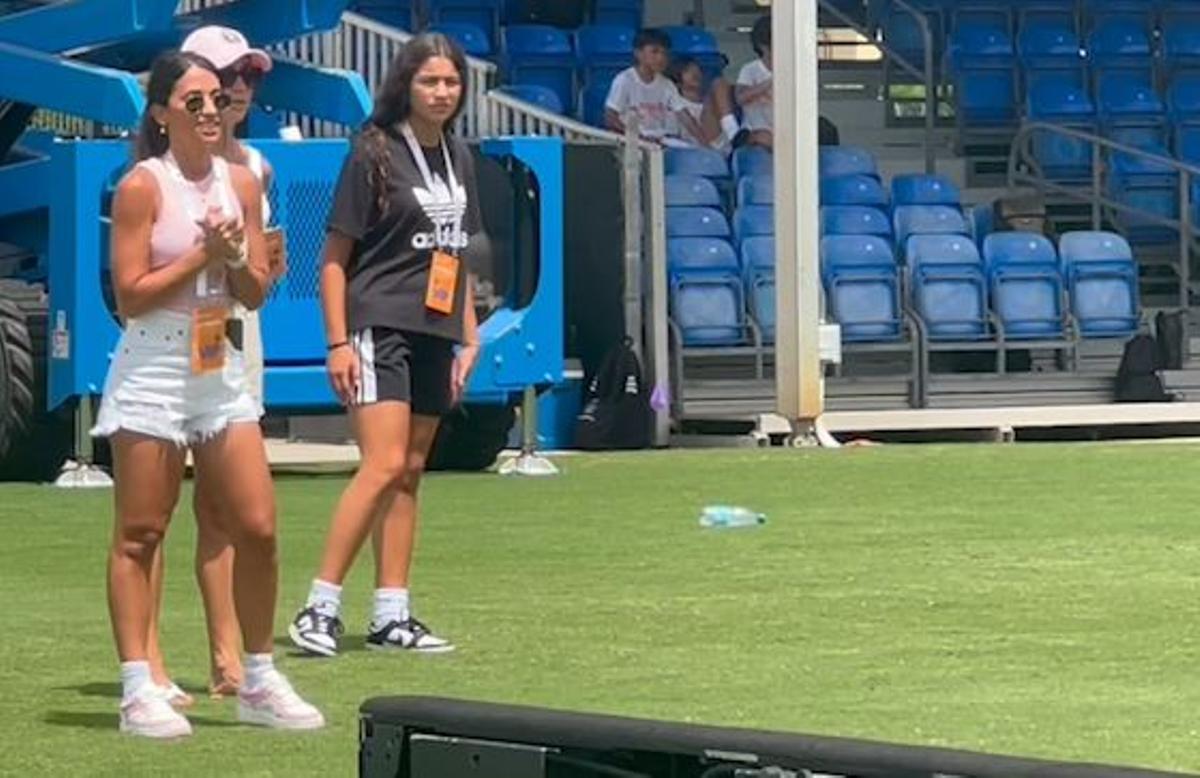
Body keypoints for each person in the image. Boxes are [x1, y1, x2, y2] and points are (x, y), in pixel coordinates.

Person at [94, 50, 323, 738]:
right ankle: (139, 685)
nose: (209, 113)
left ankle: (255, 675)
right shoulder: (143, 185)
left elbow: (253, 288)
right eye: (192, 102)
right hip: (154, 362)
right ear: (162, 114)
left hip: (217, 356)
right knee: (142, 530)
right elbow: (130, 296)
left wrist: (237, 261)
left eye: (217, 101)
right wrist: (201, 254)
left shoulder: (243, 182)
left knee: (257, 525)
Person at [287, 32, 484, 658]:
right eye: (430, 81)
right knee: (381, 465)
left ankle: (391, 613)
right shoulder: (373, 151)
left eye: (451, 82)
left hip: (437, 330)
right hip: (379, 324)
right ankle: (318, 607)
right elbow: (334, 258)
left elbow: (459, 254)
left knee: (410, 472)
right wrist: (338, 342)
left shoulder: (459, 155)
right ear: (406, 84)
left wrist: (469, 334)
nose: (442, 92)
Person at [139, 24, 284, 704]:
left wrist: (256, 266)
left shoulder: (254, 169)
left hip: (231, 335)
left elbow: (255, 275)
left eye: (246, 80)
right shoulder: (154, 176)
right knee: (154, 506)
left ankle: (230, 653)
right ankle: (150, 660)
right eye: (223, 81)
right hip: (172, 342)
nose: (234, 94)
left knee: (230, 507)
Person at [604, 28, 695, 143]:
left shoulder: (667, 84)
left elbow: (685, 117)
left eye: (664, 53)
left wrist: (705, 144)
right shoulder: (624, 80)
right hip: (631, 142)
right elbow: (610, 118)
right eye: (655, 52)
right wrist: (638, 137)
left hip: (660, 141)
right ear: (638, 53)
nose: (661, 58)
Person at [667, 56, 741, 153]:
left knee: (719, 83)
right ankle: (732, 134)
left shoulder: (714, 99)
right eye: (687, 71)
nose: (695, 73)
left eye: (697, 69)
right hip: (698, 149)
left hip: (724, 144)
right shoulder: (675, 103)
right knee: (715, 86)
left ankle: (733, 131)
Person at [736, 15, 774, 150]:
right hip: (756, 131)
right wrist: (770, 82)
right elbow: (740, 98)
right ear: (762, 46)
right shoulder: (750, 69)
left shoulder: (793, 70)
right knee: (765, 137)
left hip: (787, 129)